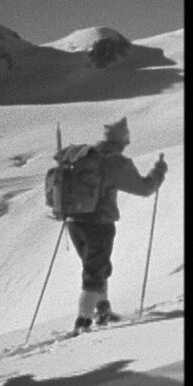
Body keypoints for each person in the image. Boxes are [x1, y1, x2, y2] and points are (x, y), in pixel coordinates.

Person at [67, 117, 167, 335]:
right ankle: (83, 320)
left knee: (96, 267)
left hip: (73, 222)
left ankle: (103, 310)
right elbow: (144, 188)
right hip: (99, 224)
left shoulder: (83, 155)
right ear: (123, 140)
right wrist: (158, 172)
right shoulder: (115, 162)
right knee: (95, 271)